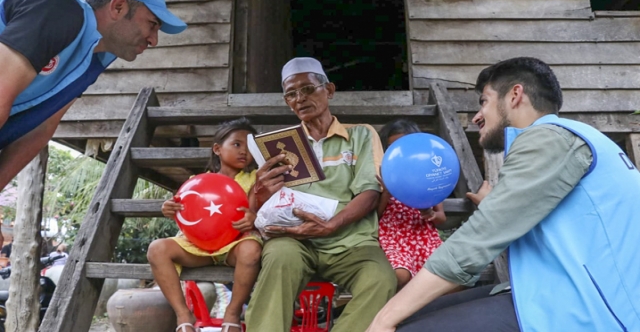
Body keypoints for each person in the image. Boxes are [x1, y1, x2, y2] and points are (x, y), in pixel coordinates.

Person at [367, 57, 640, 332]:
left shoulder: (550, 139)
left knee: (401, 326)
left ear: (515, 95)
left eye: (484, 101)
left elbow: (480, 237)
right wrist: (494, 204)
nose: (476, 116)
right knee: (415, 314)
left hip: (592, 311)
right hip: (559, 292)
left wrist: (383, 319)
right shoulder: (570, 138)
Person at [244, 57, 397, 332]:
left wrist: (331, 225)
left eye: (307, 89)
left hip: (351, 240)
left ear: (329, 90)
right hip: (295, 238)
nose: (299, 99)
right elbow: (261, 207)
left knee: (381, 279)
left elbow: (370, 191)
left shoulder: (361, 135)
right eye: (291, 94)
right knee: (279, 259)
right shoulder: (280, 144)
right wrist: (260, 190)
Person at [0, 0, 187, 193]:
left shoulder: (95, 59)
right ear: (118, 7)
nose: (154, 40)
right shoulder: (58, 11)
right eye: (152, 24)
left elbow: (41, 127)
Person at [147, 118, 263, 332]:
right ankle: (183, 315)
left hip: (235, 245)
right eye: (237, 144)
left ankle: (233, 312)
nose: (243, 152)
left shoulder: (256, 178)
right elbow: (187, 216)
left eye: (249, 147)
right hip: (199, 247)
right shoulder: (197, 181)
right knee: (157, 249)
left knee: (251, 249)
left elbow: (256, 212)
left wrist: (253, 216)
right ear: (217, 149)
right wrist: (170, 209)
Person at [377, 119, 446, 290]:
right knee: (400, 275)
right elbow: (375, 216)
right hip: (393, 237)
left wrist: (431, 214)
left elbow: (441, 218)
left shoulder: (429, 176)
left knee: (445, 274)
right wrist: (386, 191)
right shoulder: (383, 173)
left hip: (423, 237)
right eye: (393, 148)